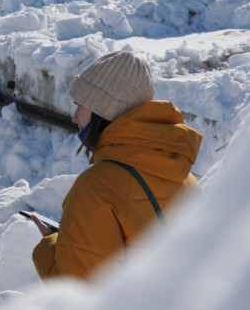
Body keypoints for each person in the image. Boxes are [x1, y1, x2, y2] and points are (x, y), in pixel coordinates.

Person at [32, 50, 202, 280]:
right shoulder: (185, 177)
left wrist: (51, 244)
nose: (74, 117)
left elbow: (78, 290)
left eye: (80, 105)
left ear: (104, 110)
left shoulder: (96, 188)